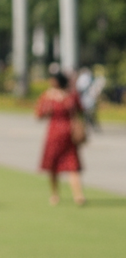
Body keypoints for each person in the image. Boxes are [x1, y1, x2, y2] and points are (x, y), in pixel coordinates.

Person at [36, 70, 85, 206]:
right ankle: (55, 193)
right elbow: (39, 114)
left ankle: (78, 194)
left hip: (69, 134)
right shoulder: (48, 96)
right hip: (53, 133)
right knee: (52, 165)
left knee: (72, 164)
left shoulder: (71, 95)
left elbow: (81, 110)